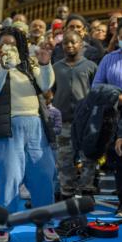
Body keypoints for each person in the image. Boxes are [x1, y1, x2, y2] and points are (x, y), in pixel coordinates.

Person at [0, 27, 58, 242]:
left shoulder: (28, 66)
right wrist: (3, 67)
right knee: (7, 179)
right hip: (5, 130)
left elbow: (45, 85)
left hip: (35, 127)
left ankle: (46, 223)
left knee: (43, 174)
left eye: (12, 43)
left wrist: (44, 63)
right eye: (3, 43)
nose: (8, 47)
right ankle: (3, 226)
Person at [95, 17, 122, 216]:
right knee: (121, 160)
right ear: (117, 37)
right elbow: (96, 88)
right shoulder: (108, 59)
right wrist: (119, 98)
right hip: (116, 116)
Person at [52, 31, 98, 199]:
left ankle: (86, 188)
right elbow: (52, 91)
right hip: (63, 121)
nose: (69, 45)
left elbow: (96, 92)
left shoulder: (91, 67)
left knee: (88, 158)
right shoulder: (56, 67)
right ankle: (67, 191)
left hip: (86, 121)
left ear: (81, 44)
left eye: (73, 42)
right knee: (64, 159)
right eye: (66, 43)